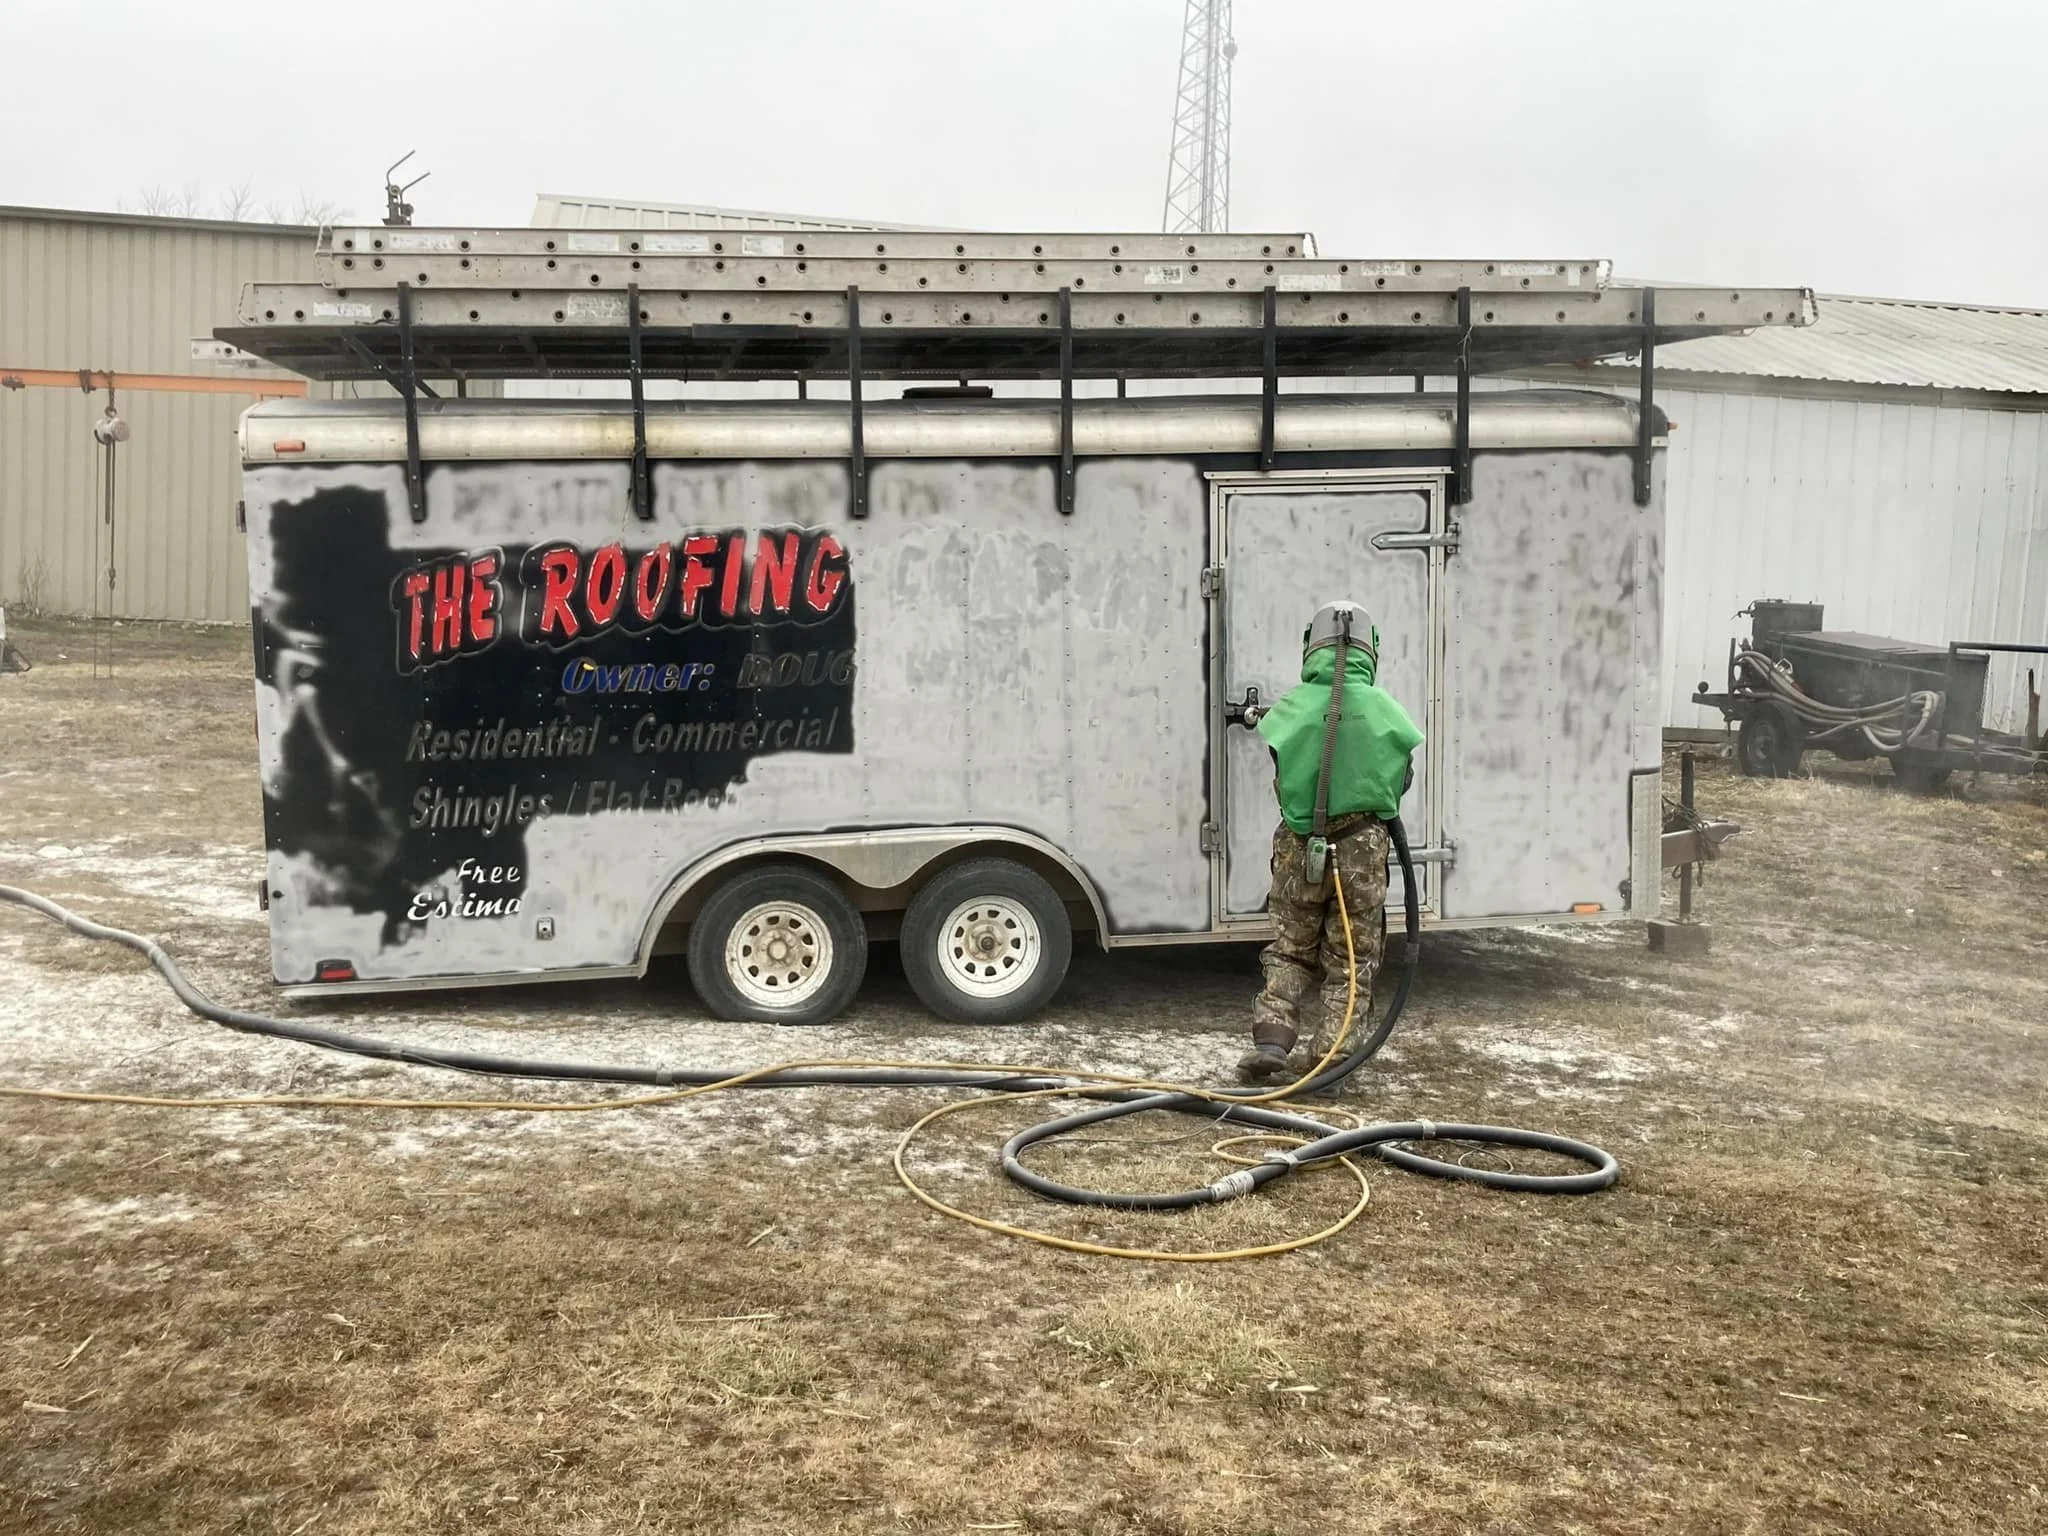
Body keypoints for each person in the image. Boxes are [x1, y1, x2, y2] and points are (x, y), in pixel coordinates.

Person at [1236, 601, 1424, 1084]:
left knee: (1290, 949)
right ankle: (1332, 1061)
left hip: (1299, 850)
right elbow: (1400, 784)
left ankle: (1272, 1042)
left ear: (1311, 645)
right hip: (1361, 852)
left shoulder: (1292, 708)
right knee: (1351, 960)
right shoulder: (1387, 713)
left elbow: (1282, 778)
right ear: (1370, 648)